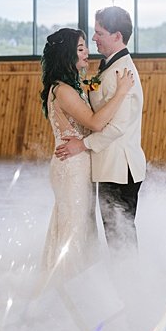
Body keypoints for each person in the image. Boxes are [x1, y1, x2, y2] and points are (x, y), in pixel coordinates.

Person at [39, 26, 136, 275]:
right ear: (66, 54)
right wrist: (121, 92)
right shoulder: (62, 90)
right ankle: (68, 286)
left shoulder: (72, 86)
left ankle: (79, 284)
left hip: (80, 164)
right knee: (75, 228)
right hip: (71, 166)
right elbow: (94, 123)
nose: (87, 52)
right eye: (81, 48)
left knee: (81, 225)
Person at [55, 5, 146, 251]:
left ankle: (131, 286)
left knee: (120, 239)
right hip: (110, 166)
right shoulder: (110, 66)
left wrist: (82, 145)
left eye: (99, 33)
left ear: (117, 36)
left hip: (119, 168)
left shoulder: (121, 70)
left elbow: (116, 127)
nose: (93, 38)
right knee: (116, 237)